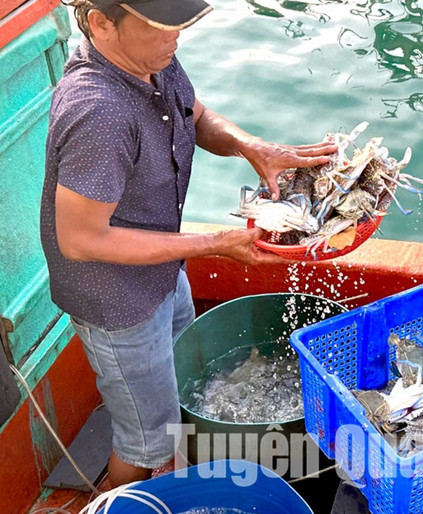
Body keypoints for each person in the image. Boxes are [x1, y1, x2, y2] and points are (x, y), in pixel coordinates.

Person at [39, 0, 336, 487]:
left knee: (176, 388)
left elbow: (195, 116)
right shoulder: (98, 111)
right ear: (100, 23)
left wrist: (249, 144)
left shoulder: (151, 58)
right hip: (117, 304)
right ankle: (124, 499)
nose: (175, 36)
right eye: (161, 26)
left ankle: (176, 473)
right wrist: (216, 242)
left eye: (179, 23)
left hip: (163, 269)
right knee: (144, 443)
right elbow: (79, 239)